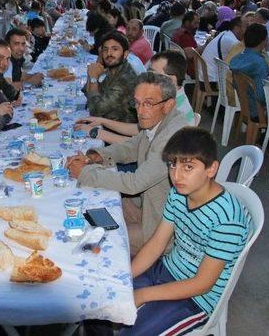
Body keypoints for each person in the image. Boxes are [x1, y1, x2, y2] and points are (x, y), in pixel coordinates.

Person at [92, 127, 248, 336]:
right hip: (166, 269)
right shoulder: (179, 194)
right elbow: (157, 243)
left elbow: (202, 284)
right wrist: (124, 276)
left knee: (132, 332)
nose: (176, 175)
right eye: (172, 165)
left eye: (188, 167)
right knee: (98, 298)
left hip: (195, 299)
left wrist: (143, 294)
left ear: (211, 169)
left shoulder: (227, 220)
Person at [67, 72, 188, 252]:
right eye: (137, 103)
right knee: (89, 209)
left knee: (88, 242)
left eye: (148, 103)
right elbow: (131, 147)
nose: (140, 111)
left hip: (165, 230)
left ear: (168, 105)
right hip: (147, 207)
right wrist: (94, 157)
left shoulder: (172, 137)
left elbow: (135, 183)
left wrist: (85, 173)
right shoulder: (159, 122)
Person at [75, 50, 195, 144]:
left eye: (153, 74)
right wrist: (102, 122)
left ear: (171, 79)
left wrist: (96, 133)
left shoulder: (173, 109)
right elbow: (140, 130)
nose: (148, 77)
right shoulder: (173, 97)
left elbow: (142, 146)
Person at [82, 30, 138, 124]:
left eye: (115, 49)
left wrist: (93, 78)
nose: (109, 53)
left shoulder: (126, 79)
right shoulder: (111, 69)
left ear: (125, 54)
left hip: (119, 132)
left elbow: (95, 110)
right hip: (105, 123)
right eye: (105, 49)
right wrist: (93, 69)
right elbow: (88, 95)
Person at [229, 23, 269, 119]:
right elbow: (262, 96)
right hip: (257, 110)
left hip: (244, 105)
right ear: (262, 41)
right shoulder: (259, 63)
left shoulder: (236, 59)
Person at [201, 16, 244, 83]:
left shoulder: (225, 33)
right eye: (246, 27)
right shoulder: (232, 42)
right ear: (237, 28)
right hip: (212, 80)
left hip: (205, 76)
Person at [0, 39, 21, 103]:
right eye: (1, 58)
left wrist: (17, 96)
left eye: (7, 59)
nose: (5, 63)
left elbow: (12, 93)